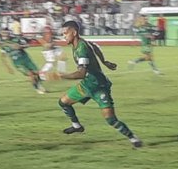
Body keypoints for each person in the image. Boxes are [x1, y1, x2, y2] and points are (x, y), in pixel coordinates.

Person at [58, 20, 142, 148]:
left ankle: (133, 138)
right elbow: (95, 47)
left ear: (74, 33)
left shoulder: (81, 49)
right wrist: (104, 61)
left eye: (65, 33)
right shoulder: (82, 43)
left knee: (110, 119)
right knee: (63, 102)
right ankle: (77, 126)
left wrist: (62, 76)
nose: (63, 36)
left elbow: (81, 73)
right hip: (87, 85)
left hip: (99, 86)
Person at [0, 29, 46, 94]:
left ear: (9, 33)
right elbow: (3, 56)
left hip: (26, 59)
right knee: (30, 74)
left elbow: (27, 45)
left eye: (6, 33)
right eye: (3, 33)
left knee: (36, 73)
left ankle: (39, 84)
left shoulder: (16, 39)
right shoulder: (2, 44)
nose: (5, 34)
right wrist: (8, 67)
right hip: (18, 63)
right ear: (1, 33)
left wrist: (20, 47)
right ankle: (37, 89)